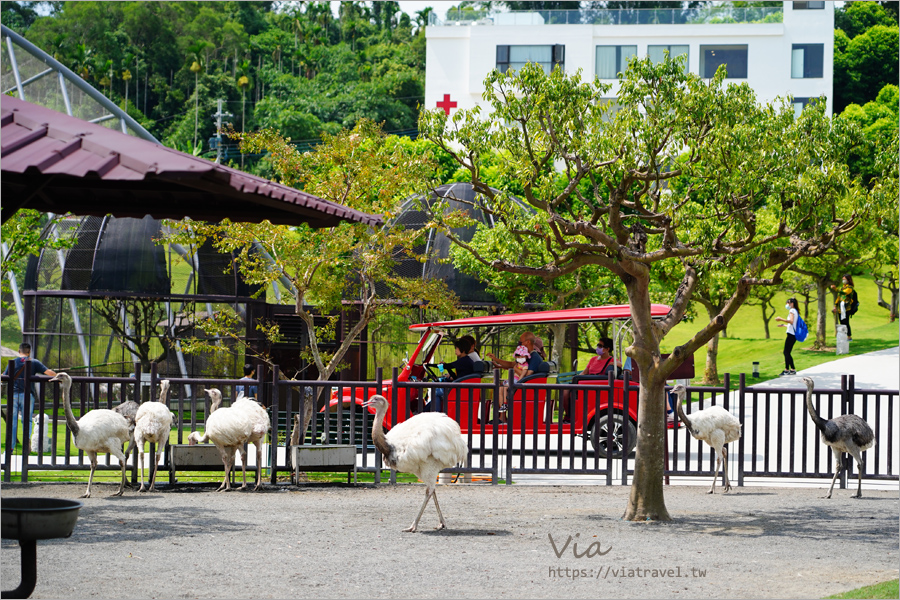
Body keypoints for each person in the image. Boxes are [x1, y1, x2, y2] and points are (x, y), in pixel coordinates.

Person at [2, 343, 56, 448]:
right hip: (28, 395)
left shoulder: (12, 362)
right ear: (29, 351)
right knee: (27, 420)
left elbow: (4, 376)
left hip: (13, 395)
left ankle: (11, 447)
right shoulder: (34, 362)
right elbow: (50, 373)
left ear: (19, 351)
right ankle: (27, 442)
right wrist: (58, 375)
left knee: (13, 421)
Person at [485, 331, 545, 423]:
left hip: (524, 386)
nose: (520, 344)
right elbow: (512, 364)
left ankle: (502, 416)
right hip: (521, 384)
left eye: (521, 342)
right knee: (501, 386)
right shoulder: (524, 355)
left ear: (527, 342)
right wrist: (496, 360)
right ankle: (502, 416)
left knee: (503, 387)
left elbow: (527, 375)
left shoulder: (534, 357)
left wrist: (514, 369)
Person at [559, 337, 618, 423]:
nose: (597, 347)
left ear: (607, 349)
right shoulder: (593, 359)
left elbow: (619, 364)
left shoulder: (612, 360)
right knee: (565, 392)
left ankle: (574, 417)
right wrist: (576, 378)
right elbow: (584, 372)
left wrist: (614, 363)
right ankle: (568, 415)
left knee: (572, 395)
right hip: (585, 382)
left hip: (595, 386)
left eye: (600, 346)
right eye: (598, 345)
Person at [431, 339, 476, 412]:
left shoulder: (463, 361)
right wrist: (447, 367)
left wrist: (429, 365)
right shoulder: (466, 360)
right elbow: (453, 374)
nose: (455, 350)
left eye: (456, 348)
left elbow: (448, 366)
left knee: (436, 391)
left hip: (460, 389)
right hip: (461, 387)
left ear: (463, 349)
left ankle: (436, 414)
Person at [775, 298, 800, 376]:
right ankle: (792, 369)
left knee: (786, 352)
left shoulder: (792, 311)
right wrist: (784, 325)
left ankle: (787, 370)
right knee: (787, 352)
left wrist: (780, 319)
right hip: (793, 334)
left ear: (792, 303)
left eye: (788, 303)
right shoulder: (795, 311)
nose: (787, 304)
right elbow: (792, 324)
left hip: (791, 335)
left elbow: (791, 321)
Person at [831, 274, 856, 341]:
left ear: (848, 279)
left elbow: (844, 293)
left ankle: (849, 336)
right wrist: (835, 306)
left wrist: (836, 289)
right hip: (840, 308)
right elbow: (839, 297)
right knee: (841, 322)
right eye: (843, 279)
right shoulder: (843, 287)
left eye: (844, 279)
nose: (843, 280)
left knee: (846, 322)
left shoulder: (850, 288)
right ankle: (843, 336)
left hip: (846, 308)